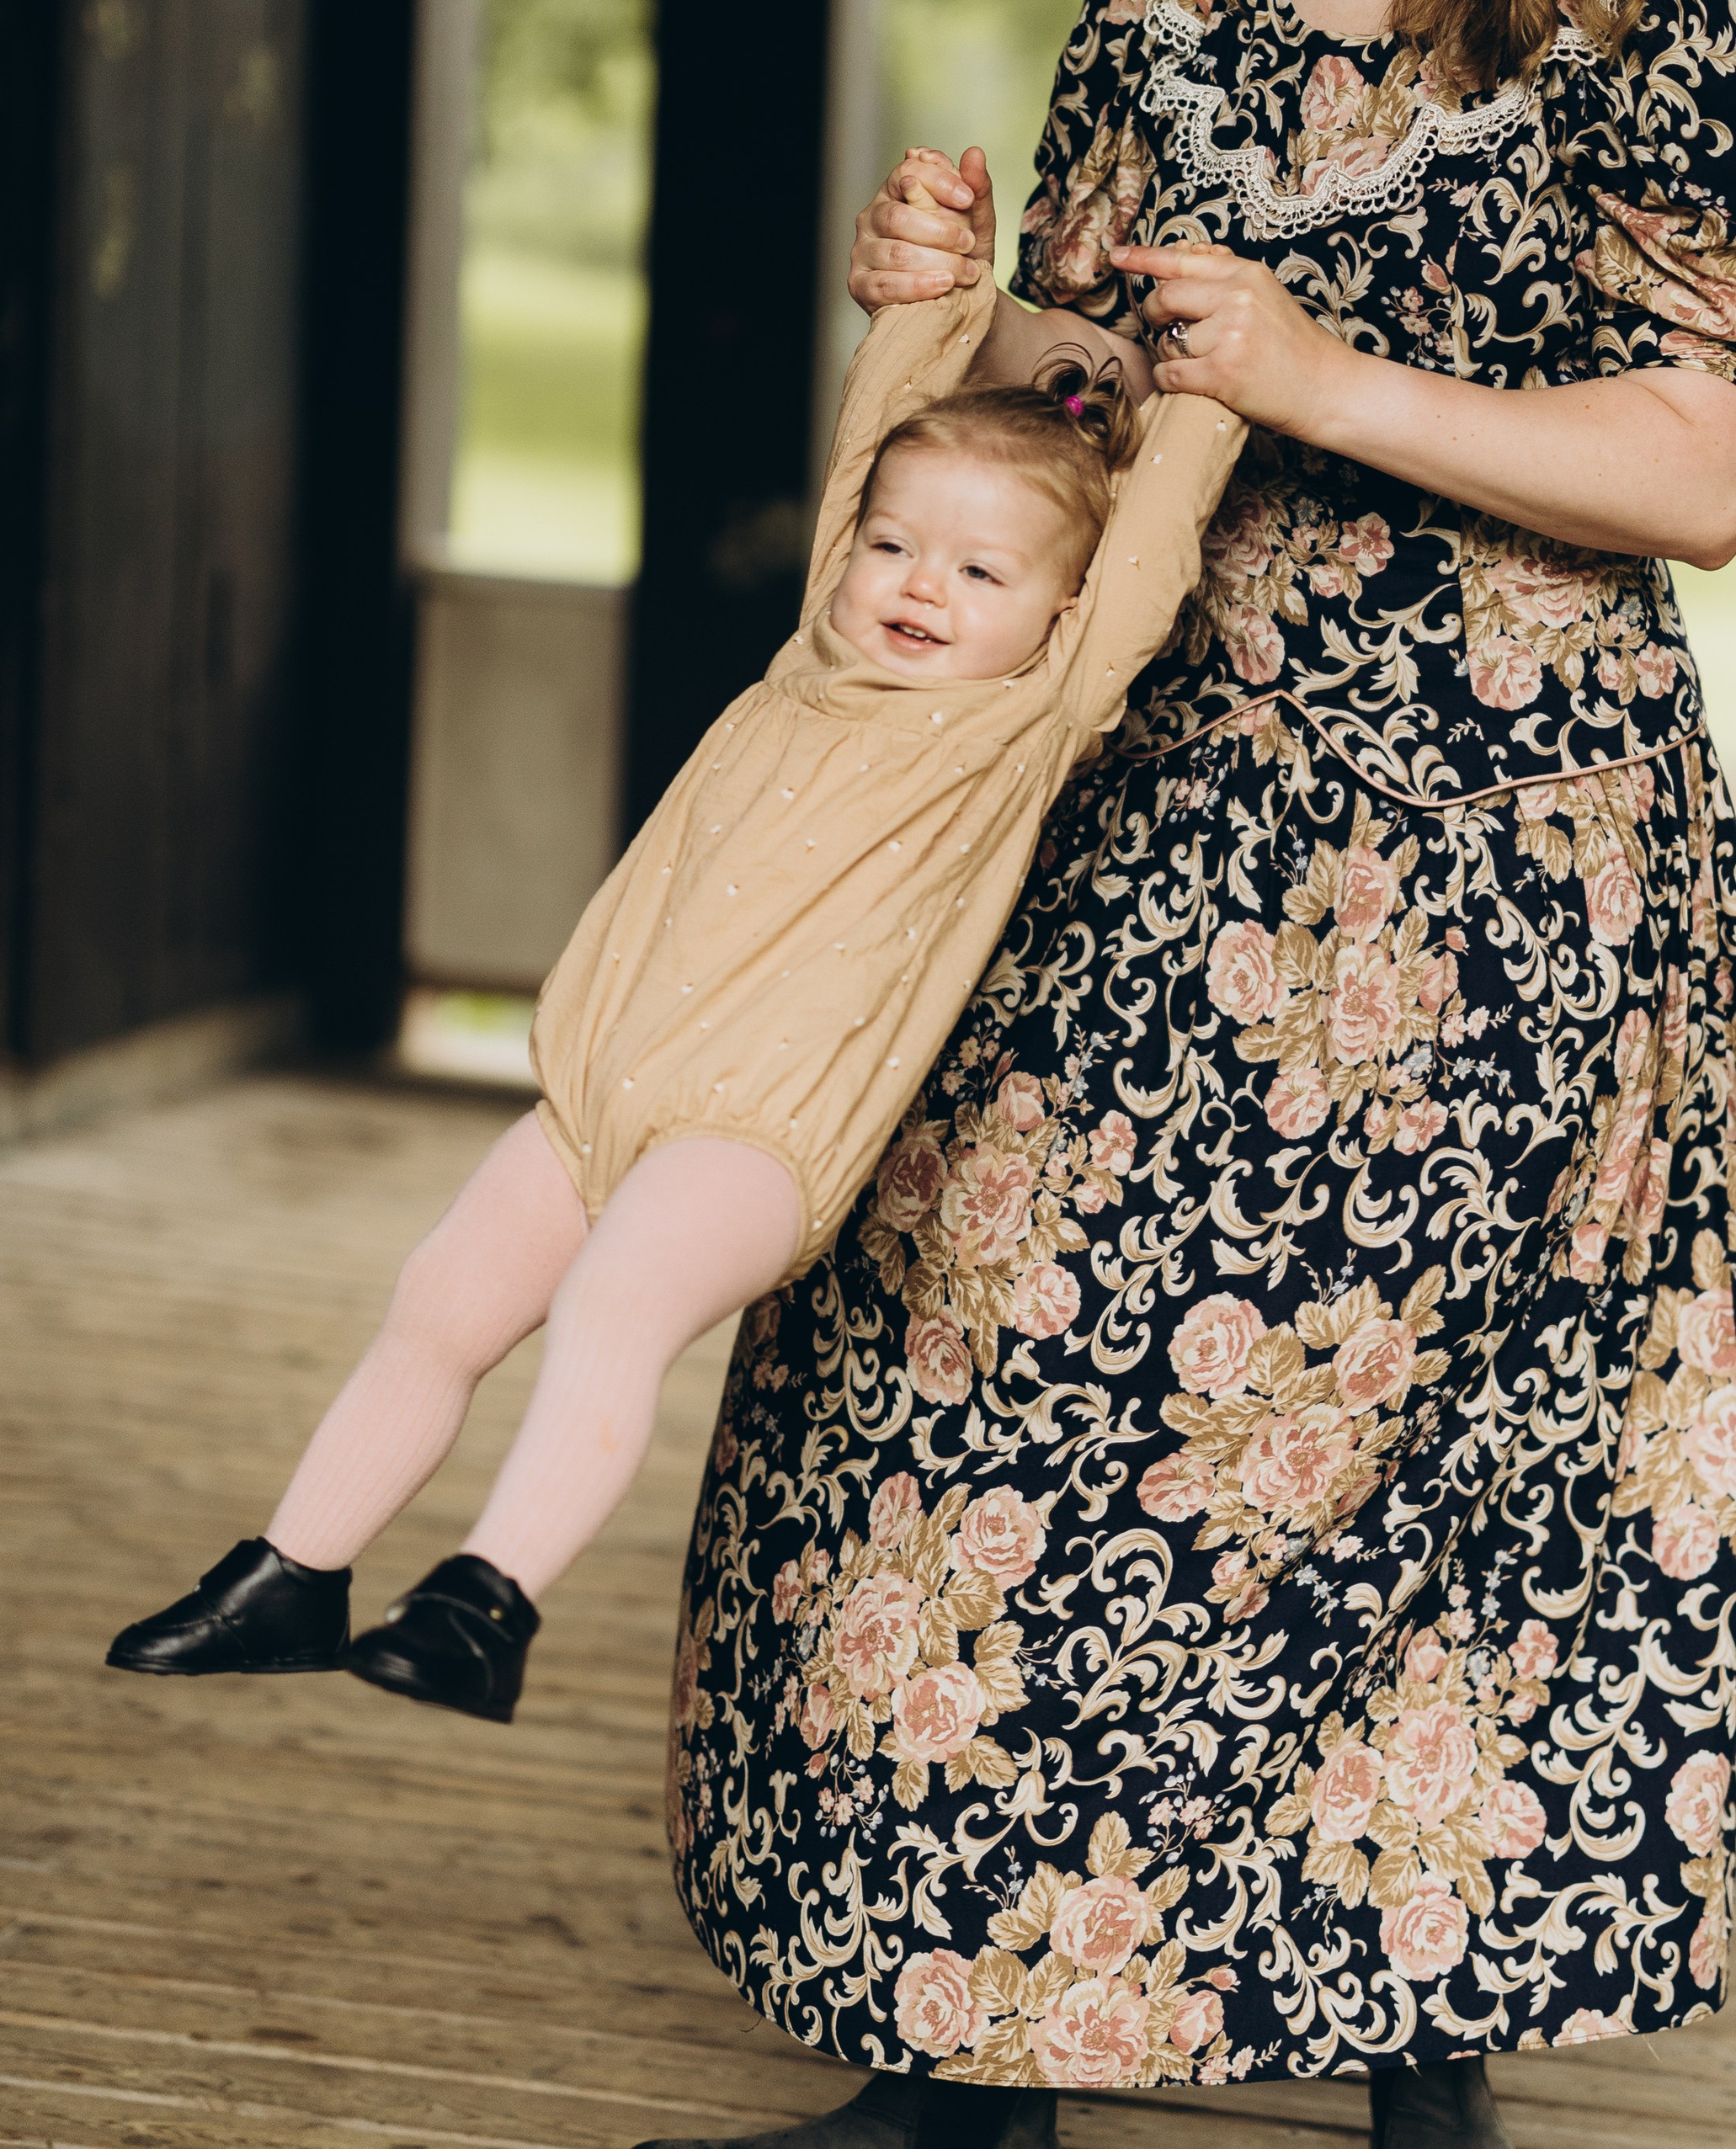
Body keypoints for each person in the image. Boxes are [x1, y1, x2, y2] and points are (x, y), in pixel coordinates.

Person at [626, 0, 1736, 2149]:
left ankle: (1434, 2097)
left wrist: (1330, 379)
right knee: (948, 1351)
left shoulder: (1680, 30)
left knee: (1479, 1464)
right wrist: (959, 315)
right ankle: (957, 2111)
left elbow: (1697, 470)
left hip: (1507, 878)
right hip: (1142, 807)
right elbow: (1075, 401)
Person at [105, 289, 1243, 1721]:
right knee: (444, 1295)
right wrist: (938, 300)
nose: (917, 585)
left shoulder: (1030, 719)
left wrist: (1210, 393)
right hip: (605, 1087)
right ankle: (292, 1573)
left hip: (754, 1136)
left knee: (614, 1301)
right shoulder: (819, 657)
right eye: (893, 547)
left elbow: (1149, 548)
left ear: (1062, 615)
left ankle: (484, 1600)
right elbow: (862, 452)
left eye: (979, 572)